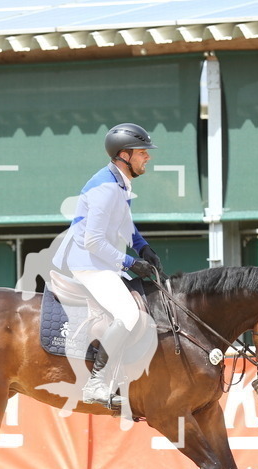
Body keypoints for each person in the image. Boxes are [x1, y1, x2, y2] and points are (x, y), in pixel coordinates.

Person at [51, 123, 166, 407]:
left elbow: (124, 223)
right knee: (128, 314)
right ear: (124, 155)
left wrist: (142, 247)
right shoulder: (106, 187)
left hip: (102, 261)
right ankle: (96, 384)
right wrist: (129, 262)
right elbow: (93, 241)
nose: (147, 157)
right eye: (142, 153)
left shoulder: (118, 182)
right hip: (89, 263)